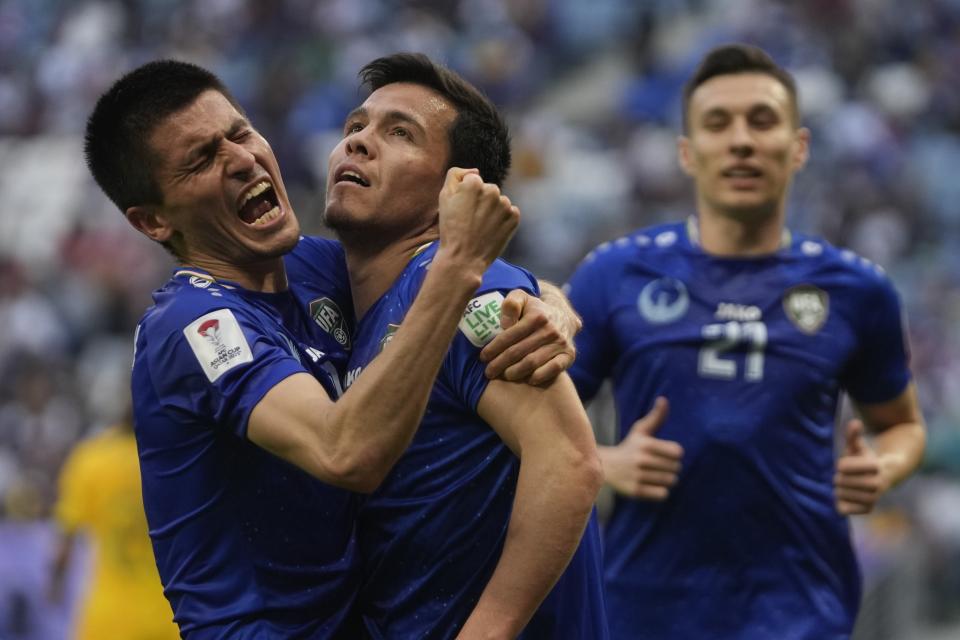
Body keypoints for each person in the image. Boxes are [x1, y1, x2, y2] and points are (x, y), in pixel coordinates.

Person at [84, 59, 577, 638]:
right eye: (201, 159)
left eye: (240, 133)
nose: (241, 159)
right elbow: (345, 454)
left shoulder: (315, 269)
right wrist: (460, 267)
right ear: (153, 221)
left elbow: (440, 276)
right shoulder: (194, 325)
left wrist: (551, 305)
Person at [564, 43, 927, 640]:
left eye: (761, 121)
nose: (741, 140)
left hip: (800, 613)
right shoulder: (615, 274)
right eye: (717, 123)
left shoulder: (858, 290)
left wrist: (881, 468)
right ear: (687, 152)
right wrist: (602, 464)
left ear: (799, 147)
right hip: (641, 610)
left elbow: (902, 426)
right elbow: (530, 426)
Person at [316, 52, 607, 639]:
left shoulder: (458, 289)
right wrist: (555, 300)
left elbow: (570, 463)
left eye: (400, 133)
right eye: (355, 127)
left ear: (459, 190)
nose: (360, 143)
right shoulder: (356, 309)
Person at [49, 417, 179, 640]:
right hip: (169, 615)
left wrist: (55, 582)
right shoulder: (174, 459)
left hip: (109, 619)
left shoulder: (91, 458)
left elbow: (65, 537)